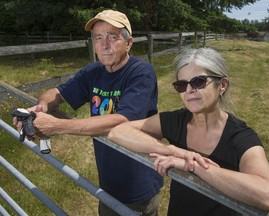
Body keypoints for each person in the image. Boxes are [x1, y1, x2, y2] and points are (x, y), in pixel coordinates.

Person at [13, 9, 163, 216]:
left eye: (113, 37)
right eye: (98, 37)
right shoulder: (93, 72)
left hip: (138, 179)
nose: (105, 44)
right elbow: (56, 93)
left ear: (129, 44)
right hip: (108, 178)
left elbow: (122, 121)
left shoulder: (141, 73)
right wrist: (40, 109)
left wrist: (58, 126)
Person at [108, 47, 269, 216]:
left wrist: (193, 166)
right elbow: (118, 132)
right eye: (181, 85)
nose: (189, 90)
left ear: (222, 85)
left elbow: (266, 195)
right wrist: (172, 151)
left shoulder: (240, 137)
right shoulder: (176, 121)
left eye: (198, 81)